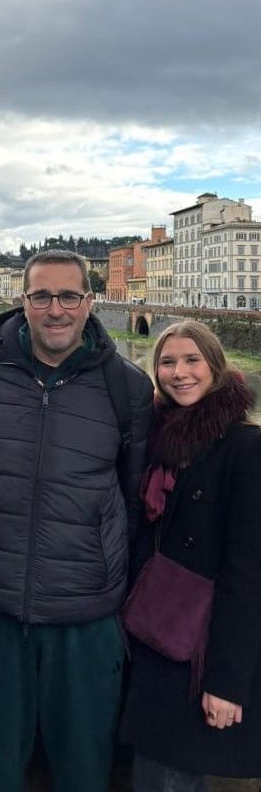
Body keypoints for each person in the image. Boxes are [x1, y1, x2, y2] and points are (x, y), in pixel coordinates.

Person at [0, 249, 153, 792]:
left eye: (68, 296)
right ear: (23, 300)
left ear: (89, 301)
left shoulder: (126, 384)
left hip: (87, 613)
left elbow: (135, 493)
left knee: (83, 772)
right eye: (42, 296)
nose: (55, 310)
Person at [121, 320, 261, 791]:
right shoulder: (159, 440)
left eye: (191, 360)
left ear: (215, 367)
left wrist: (226, 682)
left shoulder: (245, 447)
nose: (179, 372)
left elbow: (248, 573)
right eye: (167, 362)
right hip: (153, 636)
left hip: (200, 651)